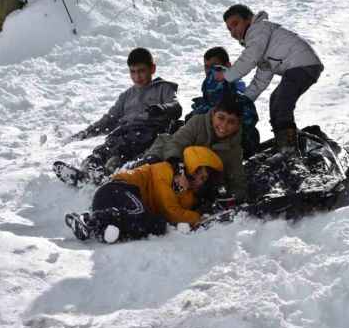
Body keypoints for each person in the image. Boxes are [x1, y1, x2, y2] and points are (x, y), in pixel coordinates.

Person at [65, 47, 182, 183]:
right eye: (133, 72)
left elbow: (176, 107)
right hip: (124, 132)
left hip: (148, 132)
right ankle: (88, 171)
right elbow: (109, 120)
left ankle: (111, 173)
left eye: (141, 71)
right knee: (104, 149)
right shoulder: (126, 96)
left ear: (152, 69)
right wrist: (85, 133)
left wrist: (162, 109)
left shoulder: (163, 88)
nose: (137, 76)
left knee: (123, 150)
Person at [218, 4, 324, 153]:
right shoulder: (262, 44)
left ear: (249, 19)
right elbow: (261, 78)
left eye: (235, 24)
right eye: (229, 29)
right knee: (276, 99)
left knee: (281, 101)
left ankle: (288, 147)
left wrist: (226, 76)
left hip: (302, 64)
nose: (233, 32)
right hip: (300, 67)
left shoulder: (258, 30)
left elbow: (249, 59)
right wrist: (245, 100)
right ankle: (284, 139)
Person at [65, 146, 223, 243]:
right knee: (140, 213)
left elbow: (173, 214)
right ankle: (88, 219)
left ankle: (106, 230)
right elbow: (171, 211)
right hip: (117, 189)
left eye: (203, 179)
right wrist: (200, 219)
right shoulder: (165, 170)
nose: (199, 181)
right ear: (189, 167)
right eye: (197, 174)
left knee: (157, 225)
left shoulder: (188, 195)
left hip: (120, 209)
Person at [144, 93, 247, 203]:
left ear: (238, 125)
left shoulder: (234, 149)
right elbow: (176, 144)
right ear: (213, 114)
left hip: (196, 182)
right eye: (220, 118)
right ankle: (144, 169)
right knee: (165, 141)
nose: (224, 125)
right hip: (176, 164)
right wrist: (178, 171)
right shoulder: (198, 123)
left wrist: (232, 199)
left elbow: (237, 181)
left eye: (231, 122)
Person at [187, 47, 260, 158]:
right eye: (207, 67)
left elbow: (248, 121)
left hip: (230, 149)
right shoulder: (207, 91)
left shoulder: (239, 96)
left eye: (215, 66)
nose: (210, 71)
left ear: (228, 66)